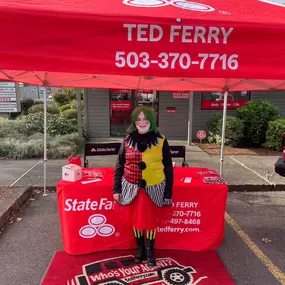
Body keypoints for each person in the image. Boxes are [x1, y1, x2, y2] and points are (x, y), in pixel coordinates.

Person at [113, 106, 174, 267]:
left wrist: (168, 193)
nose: (141, 122)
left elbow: (168, 167)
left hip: (154, 188)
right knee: (136, 221)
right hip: (131, 187)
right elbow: (119, 165)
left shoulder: (161, 139)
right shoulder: (127, 140)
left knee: (151, 221)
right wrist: (116, 189)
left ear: (152, 121)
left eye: (145, 119)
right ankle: (140, 250)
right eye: (138, 119)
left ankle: (150, 250)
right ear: (134, 122)